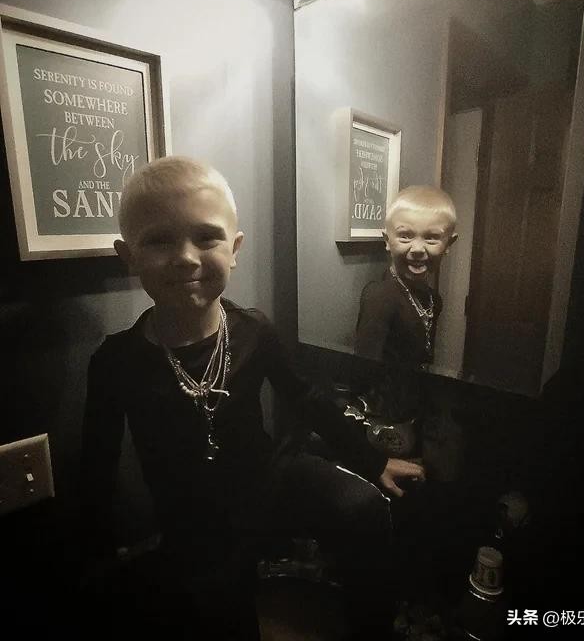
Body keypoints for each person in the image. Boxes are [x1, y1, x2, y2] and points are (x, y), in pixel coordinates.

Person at [80, 155, 424, 640]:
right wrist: (97, 551)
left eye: (206, 237)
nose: (186, 256)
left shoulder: (253, 330)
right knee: (226, 612)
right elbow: (95, 465)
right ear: (128, 256)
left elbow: (305, 396)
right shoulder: (116, 360)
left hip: (267, 478)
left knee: (363, 507)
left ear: (235, 248)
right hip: (193, 516)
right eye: (159, 240)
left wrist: (373, 460)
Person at [349, 185, 458, 456]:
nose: (417, 249)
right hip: (384, 418)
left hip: (415, 409)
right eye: (405, 236)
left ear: (449, 244)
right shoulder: (380, 296)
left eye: (432, 238)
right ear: (387, 240)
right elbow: (363, 371)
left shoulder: (432, 299)